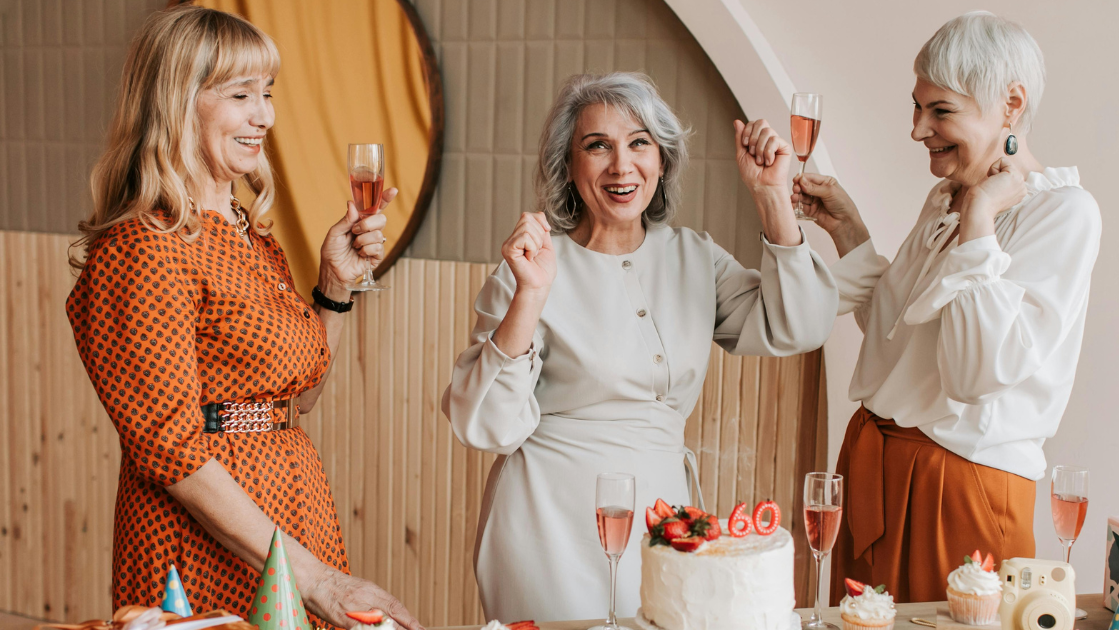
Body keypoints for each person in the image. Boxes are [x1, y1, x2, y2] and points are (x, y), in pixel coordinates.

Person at [65, 7, 421, 629]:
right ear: (179, 103)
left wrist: (334, 287)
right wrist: (315, 580)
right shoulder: (144, 247)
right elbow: (172, 447)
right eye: (241, 95)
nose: (266, 116)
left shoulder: (251, 236)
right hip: (202, 535)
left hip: (291, 503)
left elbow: (298, 398)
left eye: (268, 94)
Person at [442, 72, 840, 622]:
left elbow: (802, 325)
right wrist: (532, 294)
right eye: (597, 146)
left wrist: (772, 197)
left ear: (663, 160)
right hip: (549, 526)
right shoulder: (531, 265)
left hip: (664, 525)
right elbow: (483, 423)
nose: (621, 166)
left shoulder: (696, 257)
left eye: (639, 143)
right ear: (568, 166)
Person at [794, 12, 1102, 602]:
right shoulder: (945, 197)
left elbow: (973, 375)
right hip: (874, 467)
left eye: (940, 111)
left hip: (961, 487)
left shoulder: (1063, 213)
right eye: (917, 107)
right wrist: (850, 231)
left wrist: (980, 223)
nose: (918, 129)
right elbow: (894, 337)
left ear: (1011, 104)